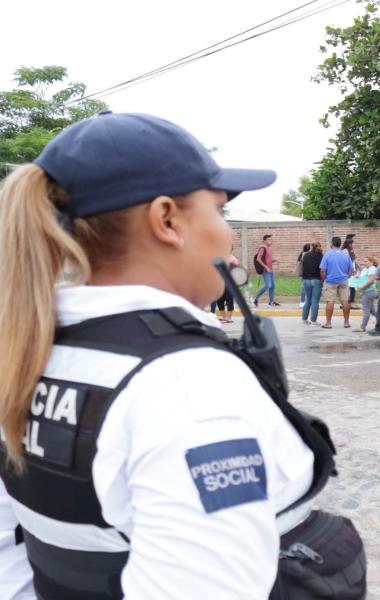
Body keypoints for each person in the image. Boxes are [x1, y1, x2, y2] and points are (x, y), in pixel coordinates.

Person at [0, 113, 338, 598]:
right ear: (167, 220)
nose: (227, 235)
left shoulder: (27, 349)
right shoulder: (188, 383)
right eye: (219, 211)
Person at [320, 236, 354, 329]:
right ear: (340, 244)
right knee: (345, 301)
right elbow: (351, 269)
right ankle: (346, 322)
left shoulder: (327, 254)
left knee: (330, 301)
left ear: (332, 243)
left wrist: (324, 279)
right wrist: (347, 276)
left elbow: (322, 270)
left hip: (330, 281)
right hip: (343, 280)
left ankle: (328, 323)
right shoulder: (345, 255)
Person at [300, 241, 324, 325]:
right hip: (316, 280)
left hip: (306, 280)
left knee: (308, 300)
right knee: (315, 301)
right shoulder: (321, 256)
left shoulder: (305, 255)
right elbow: (322, 269)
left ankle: (304, 319)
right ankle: (313, 321)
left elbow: (303, 266)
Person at [352, 256, 378, 332]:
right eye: (364, 261)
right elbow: (363, 279)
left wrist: (361, 288)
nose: (364, 263)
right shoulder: (365, 269)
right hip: (366, 292)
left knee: (366, 310)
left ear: (372, 262)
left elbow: (371, 281)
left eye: (366, 261)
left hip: (369, 292)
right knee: (372, 310)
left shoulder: (372, 269)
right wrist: (357, 277)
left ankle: (362, 327)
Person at [253, 234, 278, 307]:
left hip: (270, 270)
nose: (271, 241)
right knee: (268, 285)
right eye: (269, 240)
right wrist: (266, 267)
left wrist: (273, 260)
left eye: (271, 239)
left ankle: (271, 302)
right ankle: (255, 299)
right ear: (264, 241)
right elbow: (258, 259)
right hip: (265, 270)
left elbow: (266, 260)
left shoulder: (269, 248)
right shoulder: (262, 248)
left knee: (272, 286)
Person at [296, 243, 310, 308]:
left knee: (304, 287)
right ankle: (302, 301)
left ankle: (302, 301)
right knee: (305, 288)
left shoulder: (302, 253)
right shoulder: (306, 254)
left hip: (303, 273)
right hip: (305, 273)